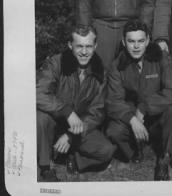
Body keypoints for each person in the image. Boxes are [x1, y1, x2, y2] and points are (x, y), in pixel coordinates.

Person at [105, 19, 172, 180]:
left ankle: (165, 159)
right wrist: (132, 119)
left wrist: (145, 107)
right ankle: (135, 151)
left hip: (156, 115)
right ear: (123, 42)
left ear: (148, 40)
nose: (136, 46)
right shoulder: (117, 65)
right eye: (131, 41)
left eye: (141, 41)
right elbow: (113, 101)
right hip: (133, 117)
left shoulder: (162, 58)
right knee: (113, 130)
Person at [36, 25, 115, 182]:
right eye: (79, 46)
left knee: (106, 151)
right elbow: (38, 93)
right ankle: (46, 166)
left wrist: (71, 136)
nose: (84, 52)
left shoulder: (100, 72)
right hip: (55, 120)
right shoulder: (55, 63)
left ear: (95, 46)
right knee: (41, 117)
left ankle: (71, 156)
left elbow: (97, 112)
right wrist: (66, 111)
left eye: (88, 46)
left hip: (77, 127)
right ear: (70, 45)